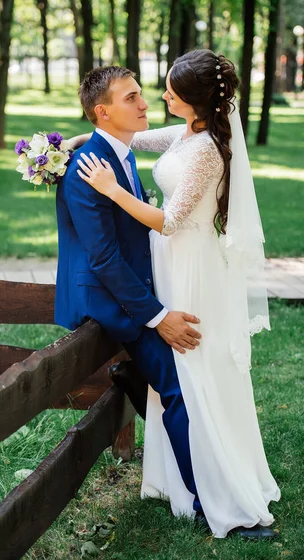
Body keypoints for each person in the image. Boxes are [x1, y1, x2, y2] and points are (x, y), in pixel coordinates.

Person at [75, 50, 280, 539]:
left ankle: (222, 482)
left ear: (193, 101)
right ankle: (180, 480)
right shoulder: (186, 131)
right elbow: (138, 139)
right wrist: (77, 141)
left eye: (168, 91)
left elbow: (168, 221)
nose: (159, 97)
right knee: (179, 370)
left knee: (193, 367)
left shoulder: (208, 147)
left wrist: (111, 189)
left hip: (191, 264)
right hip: (169, 264)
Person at [55, 65, 205, 525]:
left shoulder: (119, 152)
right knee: (178, 387)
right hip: (108, 299)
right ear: (102, 112)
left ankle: (128, 374)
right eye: (132, 98)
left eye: (142, 95)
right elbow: (103, 259)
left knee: (178, 378)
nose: (145, 104)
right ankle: (204, 502)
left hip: (132, 289)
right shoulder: (88, 167)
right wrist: (158, 317)